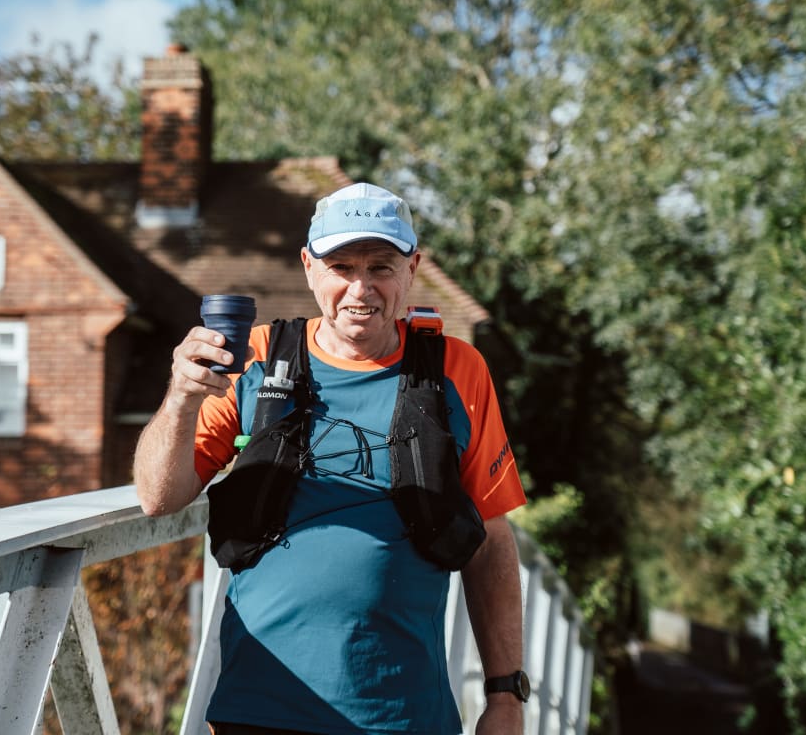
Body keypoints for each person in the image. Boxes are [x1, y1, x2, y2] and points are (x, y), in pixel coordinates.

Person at [135, 182, 528, 735]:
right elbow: (158, 497)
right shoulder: (255, 358)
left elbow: (491, 539)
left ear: (413, 268)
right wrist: (181, 396)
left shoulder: (456, 369)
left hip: (405, 715)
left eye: (381, 267)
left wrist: (506, 696)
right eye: (341, 267)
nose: (360, 288)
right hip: (261, 711)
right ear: (308, 267)